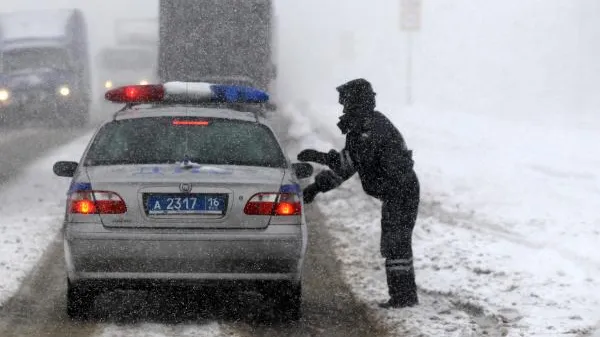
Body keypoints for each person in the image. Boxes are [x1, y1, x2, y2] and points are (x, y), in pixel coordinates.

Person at [297, 78, 420, 308]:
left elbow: (350, 161)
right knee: (394, 243)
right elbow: (346, 167)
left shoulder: (370, 129)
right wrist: (316, 188)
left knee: (396, 244)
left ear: (357, 102)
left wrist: (320, 158)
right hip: (397, 191)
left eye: (346, 104)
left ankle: (403, 297)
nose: (343, 110)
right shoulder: (363, 127)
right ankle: (403, 295)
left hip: (402, 191)